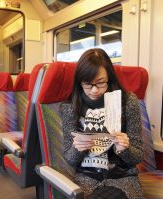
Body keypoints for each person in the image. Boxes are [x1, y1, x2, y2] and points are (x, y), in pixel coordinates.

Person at [61, 48, 143, 199]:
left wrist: (125, 148)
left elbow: (137, 157)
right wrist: (78, 148)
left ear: (109, 79)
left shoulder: (128, 102)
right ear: (80, 82)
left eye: (100, 83)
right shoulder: (69, 107)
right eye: (87, 84)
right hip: (87, 178)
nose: (94, 90)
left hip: (123, 179)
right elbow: (70, 159)